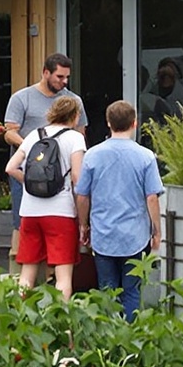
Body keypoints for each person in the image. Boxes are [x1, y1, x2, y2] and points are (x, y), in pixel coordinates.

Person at [75, 99, 164, 319]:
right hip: (135, 235)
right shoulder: (145, 156)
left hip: (104, 233)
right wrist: (156, 230)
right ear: (135, 123)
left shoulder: (93, 155)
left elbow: (82, 195)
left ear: (108, 123)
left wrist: (83, 225)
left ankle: (107, 335)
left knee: (107, 288)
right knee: (132, 289)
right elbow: (151, 197)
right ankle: (130, 338)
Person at [9, 92, 87, 295]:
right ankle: (62, 323)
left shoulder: (34, 135)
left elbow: (10, 168)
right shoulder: (75, 138)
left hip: (30, 211)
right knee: (63, 276)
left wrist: (28, 184)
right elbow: (77, 178)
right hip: (60, 212)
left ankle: (21, 317)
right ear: (75, 115)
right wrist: (83, 219)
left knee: (27, 273)